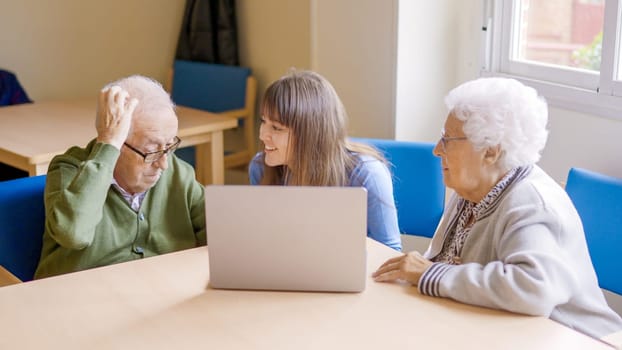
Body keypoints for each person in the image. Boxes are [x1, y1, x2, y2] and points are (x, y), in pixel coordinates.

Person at [372, 77, 622, 338]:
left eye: (448, 140)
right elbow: (443, 266)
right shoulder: (472, 188)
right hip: (498, 332)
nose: (437, 150)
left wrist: (431, 274)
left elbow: (533, 289)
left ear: (490, 152)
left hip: (575, 340)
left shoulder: (532, 204)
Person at [35, 75, 206, 278]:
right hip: (80, 300)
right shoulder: (68, 169)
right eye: (151, 151)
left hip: (156, 294)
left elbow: (221, 233)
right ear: (118, 142)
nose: (163, 164)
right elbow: (74, 235)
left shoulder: (179, 173)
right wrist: (108, 144)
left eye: (169, 145)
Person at [248, 70, 401, 251]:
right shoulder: (260, 168)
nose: (262, 134)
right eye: (263, 121)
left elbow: (390, 253)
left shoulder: (367, 175)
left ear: (310, 133)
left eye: (276, 128)